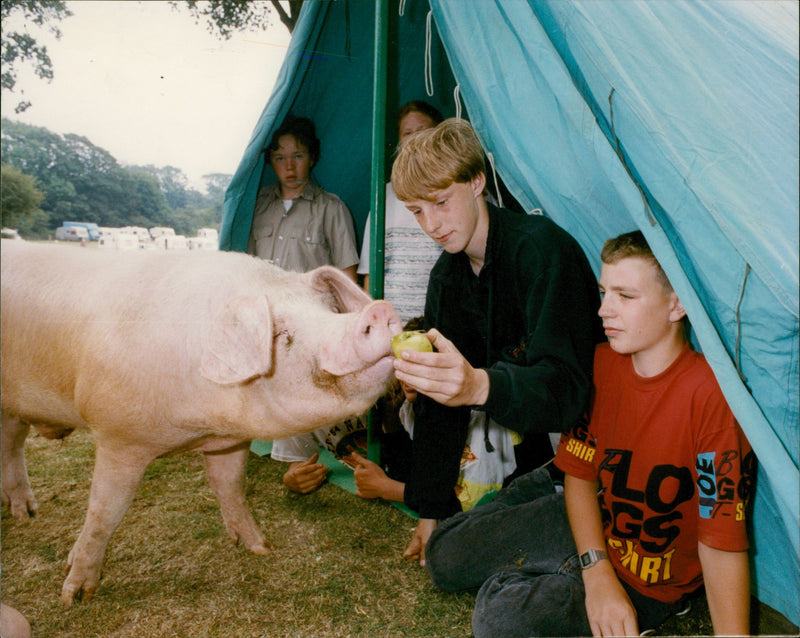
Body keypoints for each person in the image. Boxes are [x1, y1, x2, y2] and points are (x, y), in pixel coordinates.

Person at [424, 230, 755, 637]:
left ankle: (551, 541)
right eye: (603, 292)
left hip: (647, 580)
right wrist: (596, 571)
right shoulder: (600, 364)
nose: (603, 311)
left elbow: (722, 539)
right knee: (442, 557)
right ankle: (540, 493)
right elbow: (580, 475)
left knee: (499, 621)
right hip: (585, 515)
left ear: (677, 304)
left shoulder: (712, 396)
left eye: (625, 296)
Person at [390, 118, 603, 565]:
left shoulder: (543, 252)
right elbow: (440, 399)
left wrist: (479, 386)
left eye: (440, 202)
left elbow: (569, 391)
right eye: (416, 211)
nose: (431, 224)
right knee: (449, 557)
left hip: (597, 451)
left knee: (462, 559)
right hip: (531, 452)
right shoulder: (445, 278)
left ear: (476, 182)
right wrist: (428, 511)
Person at [358, 100, 445, 322]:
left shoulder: (455, 191)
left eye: (423, 130)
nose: (415, 138)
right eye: (407, 133)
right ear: (398, 142)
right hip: (395, 328)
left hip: (444, 323)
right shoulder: (382, 198)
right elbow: (371, 274)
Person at [248, 115, 359, 282]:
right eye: (280, 158)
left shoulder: (331, 208)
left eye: (298, 156)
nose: (289, 166)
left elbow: (347, 277)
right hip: (264, 305)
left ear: (312, 158)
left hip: (310, 306)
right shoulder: (258, 205)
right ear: (271, 161)